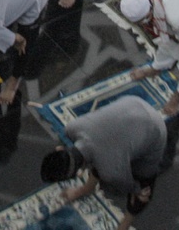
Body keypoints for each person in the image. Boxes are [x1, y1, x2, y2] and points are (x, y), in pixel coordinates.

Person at [40, 96, 165, 230]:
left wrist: (137, 190)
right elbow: (94, 153)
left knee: (142, 191)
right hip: (132, 102)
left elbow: (127, 186)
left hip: (154, 128)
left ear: (79, 172)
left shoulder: (111, 172)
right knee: (97, 155)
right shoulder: (71, 128)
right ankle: (85, 189)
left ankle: (124, 226)